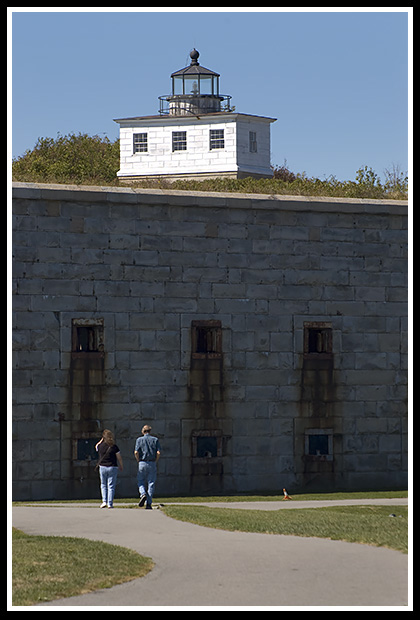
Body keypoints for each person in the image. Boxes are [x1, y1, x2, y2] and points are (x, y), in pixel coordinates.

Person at [134, 425, 161, 509]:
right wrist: (156, 460)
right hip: (152, 462)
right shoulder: (155, 440)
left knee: (140, 481)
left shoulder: (139, 440)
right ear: (150, 431)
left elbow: (136, 452)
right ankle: (149, 503)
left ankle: (143, 494)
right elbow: (158, 452)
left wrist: (138, 460)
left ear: (143, 431)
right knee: (151, 483)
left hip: (142, 462)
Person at [95, 429, 123, 509]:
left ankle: (104, 501)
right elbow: (119, 458)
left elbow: (96, 446)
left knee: (103, 485)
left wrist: (101, 440)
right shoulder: (114, 446)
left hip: (102, 466)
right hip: (112, 467)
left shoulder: (100, 446)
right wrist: (121, 465)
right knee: (111, 486)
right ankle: (110, 503)